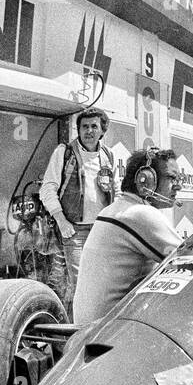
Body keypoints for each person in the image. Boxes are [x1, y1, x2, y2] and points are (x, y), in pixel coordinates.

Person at [75, 148, 183, 323]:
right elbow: (191, 260)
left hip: (90, 330)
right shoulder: (140, 214)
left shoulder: (114, 209)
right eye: (171, 178)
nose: (177, 185)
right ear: (146, 180)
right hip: (108, 333)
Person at [40, 108, 116, 318]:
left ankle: (98, 326)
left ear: (102, 131)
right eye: (84, 126)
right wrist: (61, 220)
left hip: (102, 231)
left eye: (94, 126)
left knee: (103, 282)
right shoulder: (65, 152)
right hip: (75, 232)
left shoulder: (108, 155)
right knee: (81, 284)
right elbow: (47, 189)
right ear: (78, 130)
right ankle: (79, 332)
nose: (89, 131)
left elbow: (114, 192)